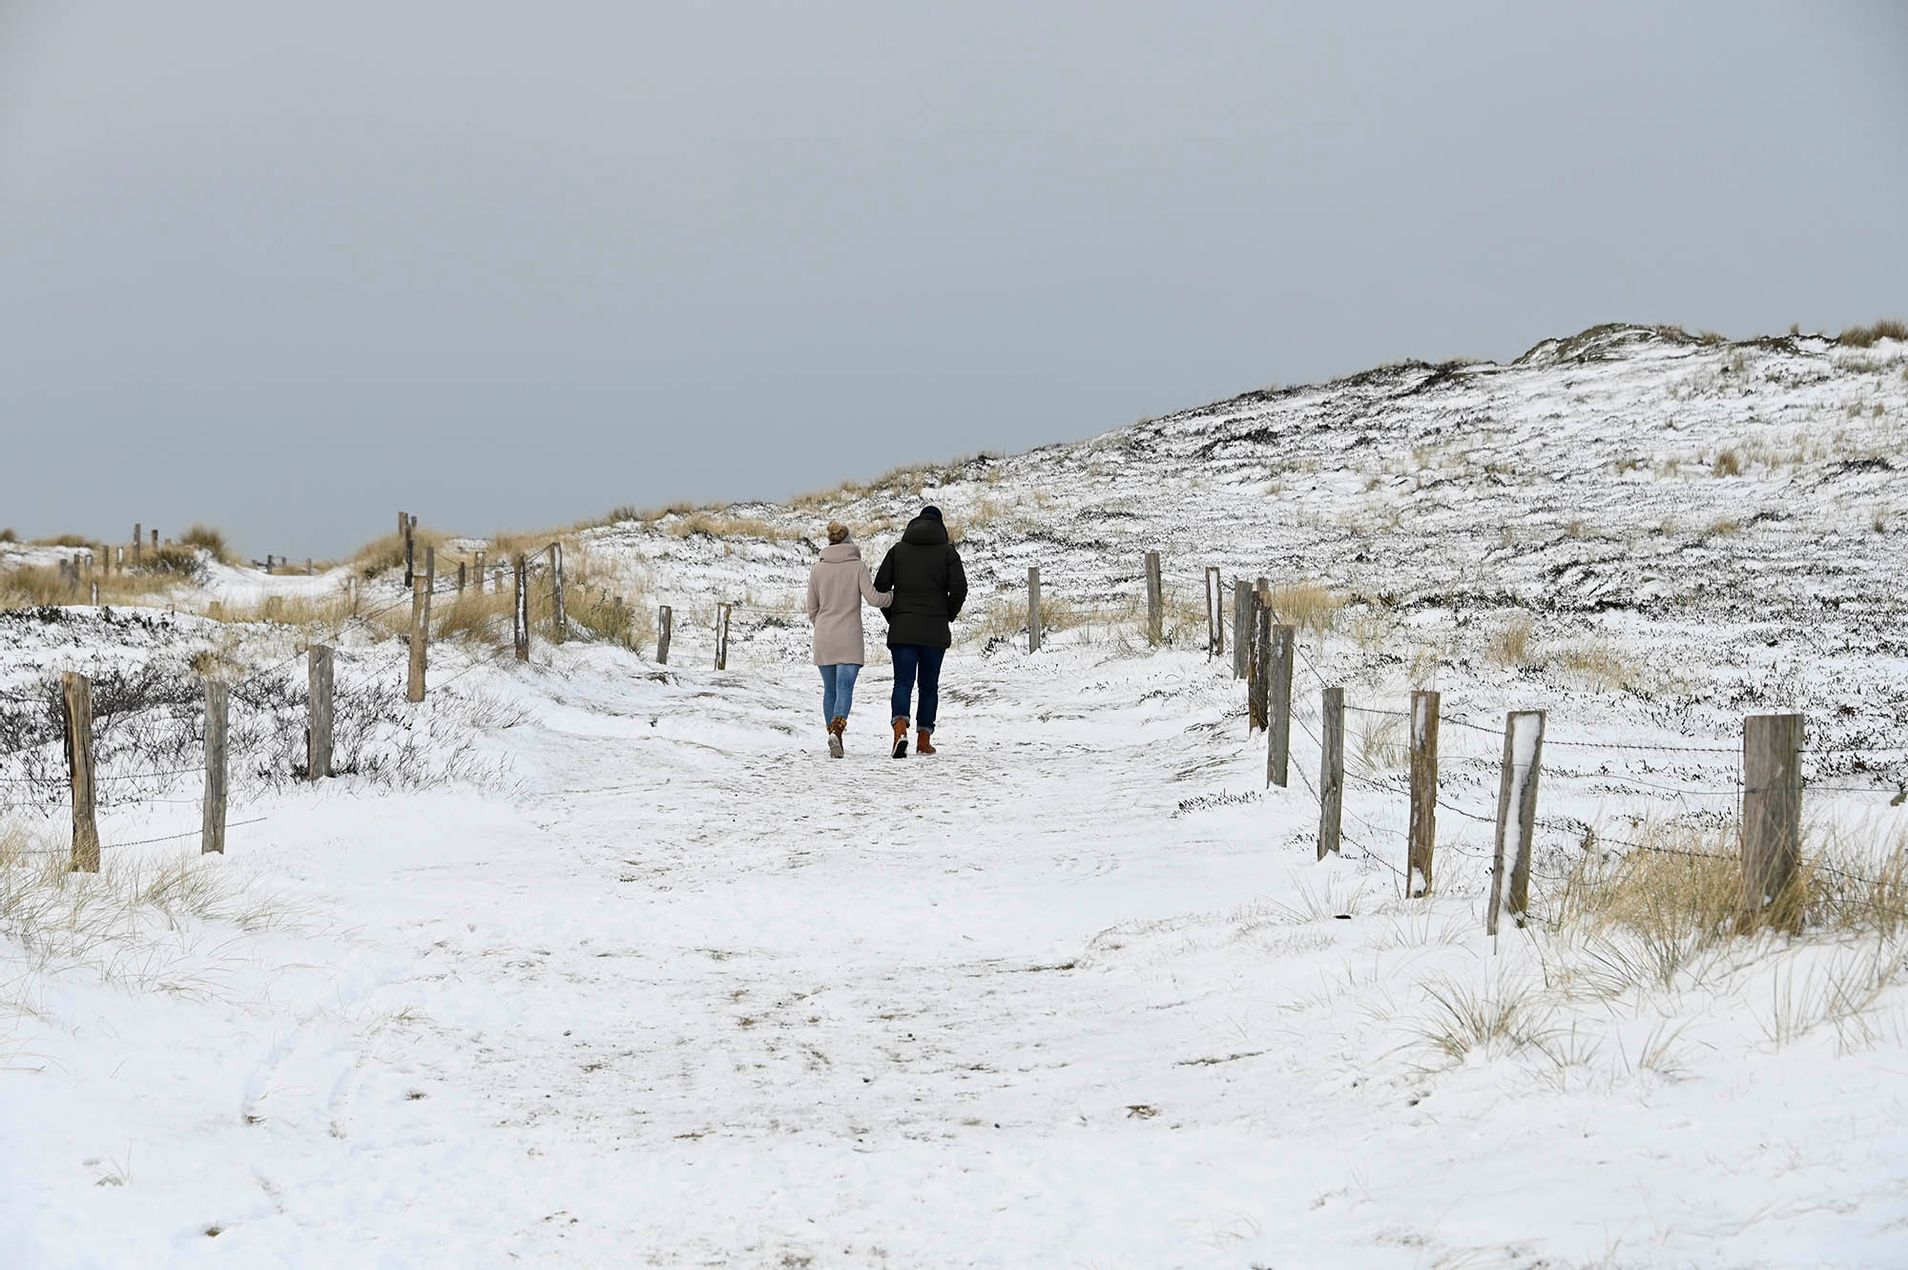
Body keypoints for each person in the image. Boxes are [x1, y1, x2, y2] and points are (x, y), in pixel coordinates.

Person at [873, 505, 967, 758]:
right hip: (934, 631)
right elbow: (960, 587)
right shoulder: (948, 552)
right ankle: (924, 740)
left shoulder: (898, 551)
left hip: (903, 630)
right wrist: (947, 613)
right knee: (929, 686)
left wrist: (894, 615)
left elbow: (880, 587)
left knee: (903, 682)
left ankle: (899, 729)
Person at [805, 521, 893, 757]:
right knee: (844, 688)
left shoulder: (817, 569)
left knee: (829, 690)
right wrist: (892, 597)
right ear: (848, 540)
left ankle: (833, 736)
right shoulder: (857, 566)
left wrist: (821, 625)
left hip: (824, 636)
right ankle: (837, 731)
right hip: (849, 637)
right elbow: (874, 599)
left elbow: (811, 608)